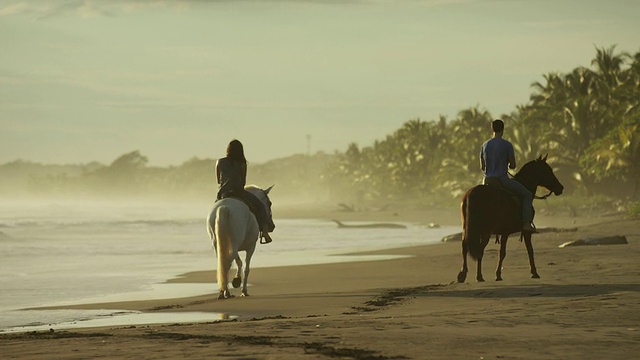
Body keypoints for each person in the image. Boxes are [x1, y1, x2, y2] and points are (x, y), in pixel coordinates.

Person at [480, 119, 535, 233]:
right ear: (503, 130)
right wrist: (507, 165)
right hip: (502, 180)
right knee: (527, 195)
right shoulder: (507, 145)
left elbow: (482, 167)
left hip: (486, 181)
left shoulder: (484, 145)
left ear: (492, 129)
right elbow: (513, 165)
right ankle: (526, 223)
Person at [216, 139, 274, 243]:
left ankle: (215, 237)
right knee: (260, 206)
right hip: (239, 192)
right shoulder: (242, 162)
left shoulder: (220, 161)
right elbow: (243, 181)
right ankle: (264, 233)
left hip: (223, 194)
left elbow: (218, 181)